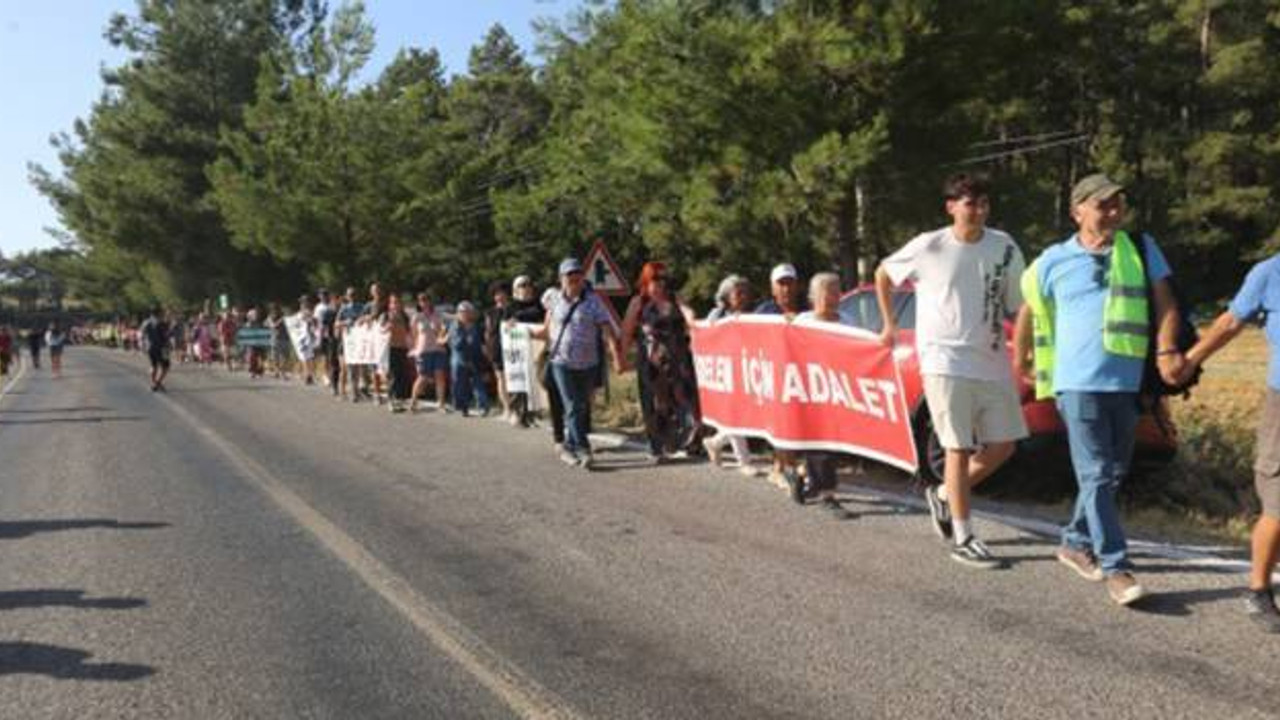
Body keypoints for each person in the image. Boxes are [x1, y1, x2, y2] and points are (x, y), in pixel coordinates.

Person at [1014, 172, 1184, 606]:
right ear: (1078, 212)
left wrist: (1166, 350)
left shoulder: (1140, 249)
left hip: (1128, 383)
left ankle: (1073, 539)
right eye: (1102, 204)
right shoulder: (1052, 260)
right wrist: (1022, 361)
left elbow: (1165, 302)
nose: (1112, 211)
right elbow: (1030, 311)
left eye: (1117, 203)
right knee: (1094, 472)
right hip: (1076, 383)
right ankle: (1116, 567)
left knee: (1113, 471)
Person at [876, 173, 1027, 569]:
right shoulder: (930, 245)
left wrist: (1028, 347)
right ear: (951, 207)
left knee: (1004, 446)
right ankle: (964, 535)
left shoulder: (1004, 246)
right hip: (944, 362)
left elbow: (1019, 303)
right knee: (957, 448)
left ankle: (943, 495)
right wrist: (890, 324)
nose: (977, 210)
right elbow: (883, 273)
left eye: (983, 203)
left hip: (992, 362)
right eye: (969, 203)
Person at [1181, 256, 1280, 632]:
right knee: (1278, 500)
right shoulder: (1270, 272)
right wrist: (1189, 360)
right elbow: (1230, 322)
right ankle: (1258, 590)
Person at [531, 258, 624, 468]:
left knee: (581, 407)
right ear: (561, 279)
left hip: (588, 363)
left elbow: (607, 331)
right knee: (572, 406)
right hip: (561, 362)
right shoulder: (553, 300)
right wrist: (523, 332)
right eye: (569, 275)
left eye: (578, 275)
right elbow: (546, 330)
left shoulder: (594, 301)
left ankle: (570, 446)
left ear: (583, 277)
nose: (574, 279)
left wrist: (615, 357)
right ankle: (583, 449)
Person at [621, 262, 700, 464]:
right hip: (650, 361)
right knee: (653, 404)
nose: (660, 284)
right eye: (656, 279)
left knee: (683, 401)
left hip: (677, 360)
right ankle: (656, 446)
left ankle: (681, 442)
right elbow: (627, 332)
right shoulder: (638, 303)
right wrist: (621, 359)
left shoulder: (675, 299)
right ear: (646, 281)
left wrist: (695, 325)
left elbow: (689, 315)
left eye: (663, 279)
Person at [794, 273, 854, 518]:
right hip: (812, 393)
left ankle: (800, 474)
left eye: (837, 291)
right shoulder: (803, 322)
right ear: (814, 296)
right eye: (827, 292)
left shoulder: (848, 322)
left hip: (840, 392)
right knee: (822, 444)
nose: (833, 297)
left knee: (835, 444)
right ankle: (827, 496)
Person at [702, 275, 758, 476]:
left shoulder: (753, 315)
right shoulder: (717, 315)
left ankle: (715, 442)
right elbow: (705, 338)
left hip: (745, 370)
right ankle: (744, 461)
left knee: (746, 415)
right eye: (738, 293)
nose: (744, 297)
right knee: (735, 414)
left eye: (746, 292)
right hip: (724, 371)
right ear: (727, 295)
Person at [756, 263, 806, 490]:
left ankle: (782, 467)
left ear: (796, 285)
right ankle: (785, 468)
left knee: (796, 424)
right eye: (781, 284)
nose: (786, 289)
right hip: (773, 378)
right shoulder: (764, 312)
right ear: (772, 288)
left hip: (800, 379)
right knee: (781, 424)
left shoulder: (807, 310)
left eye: (789, 283)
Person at [505, 276, 546, 427]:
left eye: (529, 285)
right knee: (518, 381)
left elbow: (544, 321)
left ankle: (532, 414)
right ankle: (516, 412)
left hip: (535, 348)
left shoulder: (538, 305)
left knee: (534, 381)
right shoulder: (510, 307)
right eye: (522, 285)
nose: (526, 287)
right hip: (516, 350)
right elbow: (505, 327)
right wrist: (511, 324)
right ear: (516, 289)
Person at [447, 301, 490, 417]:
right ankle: (463, 407)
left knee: (478, 383)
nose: (465, 314)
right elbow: (456, 344)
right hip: (459, 359)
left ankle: (483, 407)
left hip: (475, 358)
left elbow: (482, 343)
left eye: (467, 312)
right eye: (462, 312)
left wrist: (485, 357)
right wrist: (466, 336)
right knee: (459, 384)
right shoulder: (454, 326)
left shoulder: (477, 326)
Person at [409, 293, 449, 413]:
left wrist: (440, 332)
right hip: (424, 350)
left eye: (426, 300)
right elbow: (413, 334)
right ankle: (413, 401)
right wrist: (414, 349)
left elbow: (444, 329)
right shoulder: (417, 317)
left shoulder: (438, 315)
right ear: (419, 303)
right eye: (421, 301)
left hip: (438, 349)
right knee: (422, 377)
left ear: (430, 302)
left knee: (440, 376)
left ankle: (441, 404)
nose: (424, 303)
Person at [485, 281, 513, 421]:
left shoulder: (513, 309)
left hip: (512, 348)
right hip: (496, 348)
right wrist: (487, 348)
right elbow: (488, 331)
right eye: (496, 293)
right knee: (500, 378)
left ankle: (516, 410)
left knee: (512, 378)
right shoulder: (490, 312)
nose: (499, 296)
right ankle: (506, 409)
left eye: (501, 292)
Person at [380, 293, 412, 413]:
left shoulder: (405, 317)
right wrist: (386, 328)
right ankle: (390, 401)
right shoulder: (386, 316)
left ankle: (399, 400)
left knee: (401, 375)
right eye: (393, 302)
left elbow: (409, 332)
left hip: (402, 348)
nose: (396, 305)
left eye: (397, 302)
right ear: (390, 304)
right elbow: (379, 330)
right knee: (392, 375)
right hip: (390, 348)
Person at [337, 287, 366, 401]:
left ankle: (355, 391)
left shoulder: (361, 307)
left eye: (354, 294)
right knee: (346, 368)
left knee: (356, 367)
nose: (352, 296)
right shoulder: (344, 308)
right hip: (345, 342)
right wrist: (345, 322)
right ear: (347, 296)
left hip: (357, 341)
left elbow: (365, 319)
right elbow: (336, 323)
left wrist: (362, 320)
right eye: (350, 295)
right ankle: (343, 391)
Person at [315, 289, 340, 395]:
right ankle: (334, 385)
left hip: (343, 340)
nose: (335, 302)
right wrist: (319, 339)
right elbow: (321, 326)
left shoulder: (342, 310)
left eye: (337, 300)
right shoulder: (326, 311)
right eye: (333, 300)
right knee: (331, 361)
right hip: (330, 339)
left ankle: (339, 384)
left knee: (340, 364)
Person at [139, 307, 171, 391]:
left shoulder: (146, 322)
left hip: (150, 347)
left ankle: (154, 383)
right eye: (162, 313)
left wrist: (142, 345)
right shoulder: (161, 323)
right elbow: (166, 335)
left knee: (153, 366)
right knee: (166, 366)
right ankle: (157, 383)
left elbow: (141, 334)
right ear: (159, 313)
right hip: (162, 348)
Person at [266, 302, 290, 380]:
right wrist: (281, 320)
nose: (275, 311)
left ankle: (283, 372)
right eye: (273, 309)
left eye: (276, 309)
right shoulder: (270, 317)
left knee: (284, 356)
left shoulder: (283, 317)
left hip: (285, 338)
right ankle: (276, 371)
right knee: (275, 357)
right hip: (275, 339)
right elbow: (273, 325)